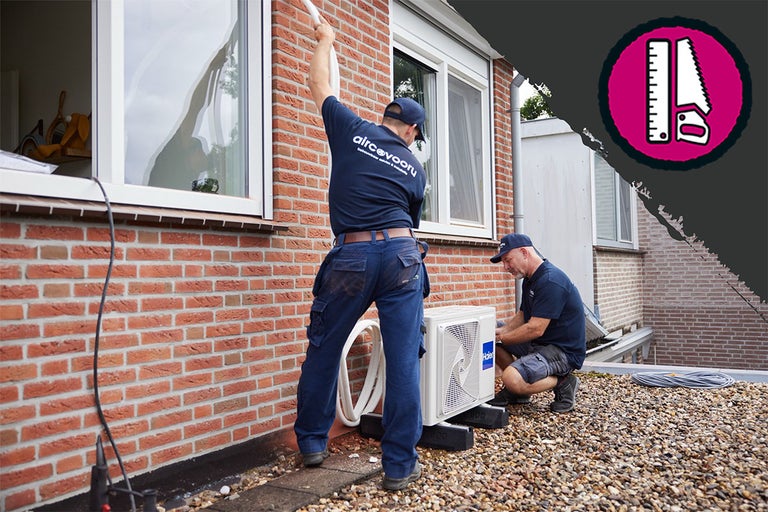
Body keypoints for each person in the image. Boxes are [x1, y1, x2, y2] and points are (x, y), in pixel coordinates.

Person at [293, 17, 428, 491]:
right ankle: (398, 466)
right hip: (401, 257)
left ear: (385, 117)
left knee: (325, 348)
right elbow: (410, 220)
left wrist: (325, 40)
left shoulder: (350, 127)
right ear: (411, 129)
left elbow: (318, 83)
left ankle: (311, 444)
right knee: (403, 358)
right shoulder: (414, 167)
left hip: (350, 255)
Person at [488, 233, 586, 413]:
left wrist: (504, 337)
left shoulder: (550, 281)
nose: (505, 267)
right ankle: (519, 393)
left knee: (511, 378)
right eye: (503, 262)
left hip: (562, 350)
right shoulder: (530, 278)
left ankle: (563, 381)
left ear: (524, 252)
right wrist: (501, 332)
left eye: (508, 260)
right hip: (540, 344)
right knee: (492, 332)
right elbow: (523, 314)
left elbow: (536, 328)